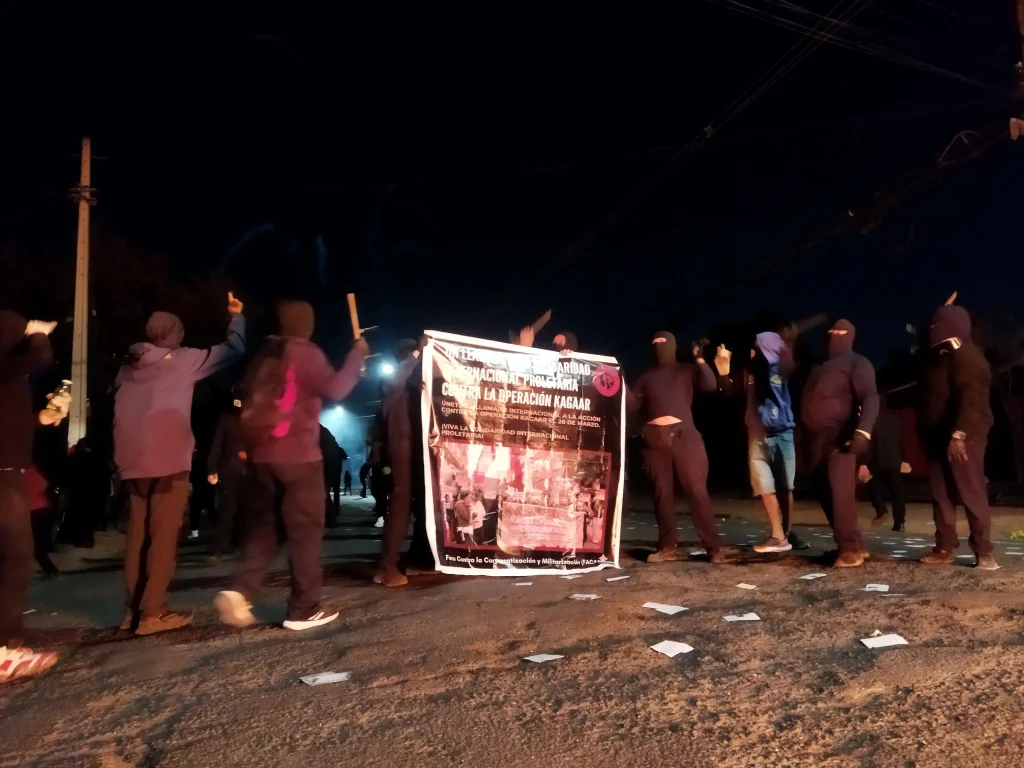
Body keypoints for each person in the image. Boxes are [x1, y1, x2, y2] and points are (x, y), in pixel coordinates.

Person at [216, 300, 368, 631]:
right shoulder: (304, 352)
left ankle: (240, 590)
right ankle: (303, 609)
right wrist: (357, 355)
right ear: (306, 324)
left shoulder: (265, 353)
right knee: (305, 532)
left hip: (262, 456)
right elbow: (337, 388)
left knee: (267, 528)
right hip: (299, 457)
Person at [113, 293, 245, 635]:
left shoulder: (127, 366)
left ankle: (132, 611)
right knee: (163, 536)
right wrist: (235, 316)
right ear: (176, 333)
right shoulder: (182, 361)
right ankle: (153, 612)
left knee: (137, 535)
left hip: (131, 461)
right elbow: (233, 350)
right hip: (168, 461)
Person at [1, 312, 69, 683]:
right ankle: (4, 649)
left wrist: (40, 418)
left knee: (13, 558)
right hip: (3, 474)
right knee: (16, 558)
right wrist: (37, 332)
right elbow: (41, 357)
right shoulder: (8, 366)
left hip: (9, 470)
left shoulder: (9, 374)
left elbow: (10, 421)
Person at [625, 331, 729, 564]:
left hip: (685, 438)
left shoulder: (686, 369)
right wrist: (618, 378)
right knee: (661, 494)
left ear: (672, 345)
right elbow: (631, 404)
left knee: (696, 491)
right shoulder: (646, 375)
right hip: (653, 441)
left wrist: (700, 359)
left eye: (663, 342)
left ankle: (713, 548)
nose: (658, 346)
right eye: (654, 343)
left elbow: (710, 385)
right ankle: (667, 546)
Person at [917, 304, 996, 569]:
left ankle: (983, 551)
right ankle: (945, 546)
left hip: (963, 437)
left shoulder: (967, 354)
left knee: (971, 491)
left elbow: (972, 396)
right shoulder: (941, 355)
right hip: (938, 437)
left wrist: (960, 433)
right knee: (941, 495)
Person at [801, 319, 879, 568]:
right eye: (831, 331)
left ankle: (849, 549)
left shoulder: (857, 363)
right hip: (816, 440)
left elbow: (870, 397)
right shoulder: (818, 366)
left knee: (840, 492)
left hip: (840, 436)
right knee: (823, 489)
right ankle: (855, 543)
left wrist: (862, 432)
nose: (834, 335)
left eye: (841, 332)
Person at [742, 330, 809, 554]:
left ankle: (786, 533)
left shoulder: (781, 370)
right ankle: (778, 535)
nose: (754, 350)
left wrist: (787, 348)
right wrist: (723, 371)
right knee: (764, 486)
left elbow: (787, 379)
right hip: (757, 435)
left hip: (783, 433)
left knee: (785, 486)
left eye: (758, 346)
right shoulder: (751, 371)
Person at [375, 338, 432, 587]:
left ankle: (418, 559)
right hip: (401, 452)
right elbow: (396, 380)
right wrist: (416, 353)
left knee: (421, 506)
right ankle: (387, 567)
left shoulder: (410, 386)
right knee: (400, 507)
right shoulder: (394, 382)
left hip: (414, 451)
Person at [206, 394, 248, 561]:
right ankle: (218, 548)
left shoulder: (255, 417)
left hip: (250, 470)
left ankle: (243, 545)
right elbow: (217, 443)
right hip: (229, 468)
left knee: (247, 509)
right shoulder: (226, 418)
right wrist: (212, 468)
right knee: (227, 509)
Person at [859, 396, 909, 532]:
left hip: (877, 461)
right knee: (897, 493)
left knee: (872, 487)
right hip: (894, 461)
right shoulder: (895, 419)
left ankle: (881, 510)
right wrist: (905, 459)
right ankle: (899, 523)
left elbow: (869, 444)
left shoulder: (871, 421)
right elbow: (901, 440)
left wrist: (864, 463)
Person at [26, 464, 59, 578]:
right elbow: (45, 485)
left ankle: (50, 570)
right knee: (39, 544)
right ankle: (50, 569)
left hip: (34, 512)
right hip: (46, 510)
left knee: (36, 546)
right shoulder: (34, 469)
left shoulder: (20, 474)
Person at [320, 425, 343, 528]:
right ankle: (331, 516)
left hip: (327, 468)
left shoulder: (317, 432)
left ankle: (329, 519)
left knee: (323, 494)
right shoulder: (324, 433)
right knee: (326, 494)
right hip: (333, 468)